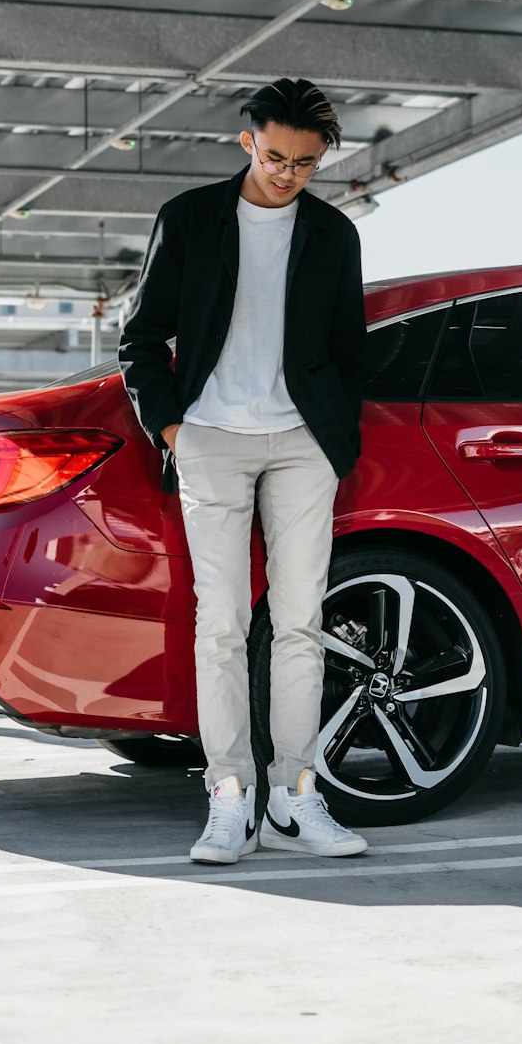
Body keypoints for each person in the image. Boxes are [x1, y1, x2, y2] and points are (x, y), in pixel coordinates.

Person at [118, 77, 368, 864]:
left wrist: (332, 433)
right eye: (275, 155)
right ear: (247, 142)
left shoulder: (333, 235)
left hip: (302, 444)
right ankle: (230, 797)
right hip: (212, 441)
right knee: (220, 622)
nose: (288, 173)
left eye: (305, 162)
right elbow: (142, 337)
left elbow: (348, 349)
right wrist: (173, 429)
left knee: (300, 623)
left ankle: (296, 798)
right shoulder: (189, 220)